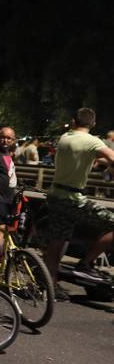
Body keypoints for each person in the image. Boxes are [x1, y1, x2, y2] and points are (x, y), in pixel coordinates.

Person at [41, 108, 114, 300]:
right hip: (74, 199)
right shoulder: (92, 141)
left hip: (56, 195)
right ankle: (86, 263)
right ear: (94, 124)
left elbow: (84, 155)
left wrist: (101, 161)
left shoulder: (65, 137)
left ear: (73, 122)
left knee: (58, 241)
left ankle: (50, 285)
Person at [0, 127, 18, 248]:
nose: (5, 140)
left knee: (2, 230)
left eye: (9, 138)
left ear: (14, 140)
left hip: (8, 198)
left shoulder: (7, 153)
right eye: (3, 137)